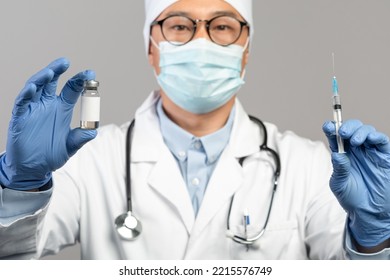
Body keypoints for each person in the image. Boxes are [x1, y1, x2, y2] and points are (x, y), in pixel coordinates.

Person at [0, 0, 389, 260]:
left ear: (245, 49)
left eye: (221, 26)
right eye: (180, 26)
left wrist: (375, 236)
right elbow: (11, 257)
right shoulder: (90, 163)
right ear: (151, 46)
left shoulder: (309, 166)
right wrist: (22, 187)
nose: (201, 41)